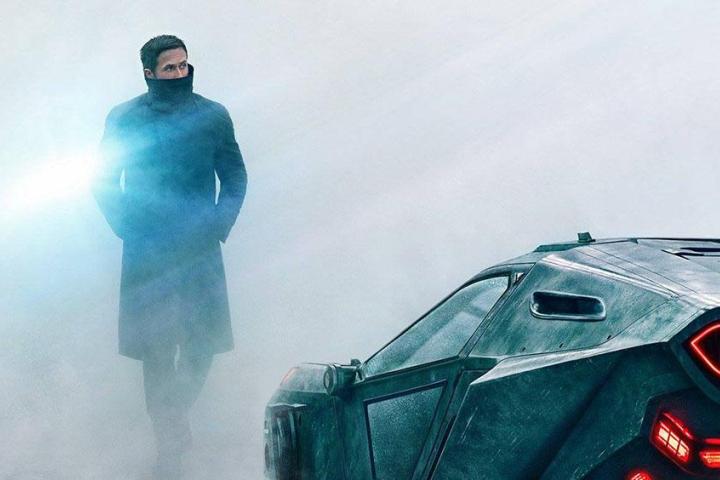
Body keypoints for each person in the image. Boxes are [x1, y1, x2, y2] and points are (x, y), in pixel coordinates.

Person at [92, 34, 247, 478]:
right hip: (148, 254)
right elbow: (103, 180)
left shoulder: (212, 115)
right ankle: (169, 449)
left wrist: (218, 224)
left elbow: (235, 176)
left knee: (202, 343)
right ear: (149, 73)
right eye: (170, 68)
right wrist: (129, 226)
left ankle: (173, 415)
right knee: (157, 350)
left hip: (199, 250)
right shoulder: (124, 117)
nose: (180, 73)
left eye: (184, 65)